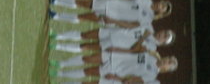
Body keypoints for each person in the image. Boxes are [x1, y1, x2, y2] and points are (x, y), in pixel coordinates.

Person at [48, 0, 172, 28]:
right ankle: (55, 0)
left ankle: (55, 16)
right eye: (163, 4)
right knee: (83, 2)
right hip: (111, 4)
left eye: (162, 8)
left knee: (83, 17)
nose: (160, 6)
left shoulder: (148, 19)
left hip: (111, 16)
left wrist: (113, 21)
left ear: (161, 12)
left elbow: (130, 25)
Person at [49, 50, 178, 82]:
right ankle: (60, 64)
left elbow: (133, 81)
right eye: (168, 59)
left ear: (166, 69)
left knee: (87, 73)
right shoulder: (151, 56)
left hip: (115, 72)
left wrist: (116, 78)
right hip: (116, 57)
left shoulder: (152, 75)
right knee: (87, 58)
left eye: (168, 63)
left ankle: (59, 75)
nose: (166, 61)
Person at [50, 26, 175, 54]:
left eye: (164, 37)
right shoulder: (149, 29)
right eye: (164, 32)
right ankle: (57, 36)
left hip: (114, 45)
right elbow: (130, 27)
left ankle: (58, 47)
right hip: (114, 32)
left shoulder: (152, 48)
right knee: (85, 35)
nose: (162, 35)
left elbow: (134, 49)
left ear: (163, 43)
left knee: (86, 47)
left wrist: (143, 37)